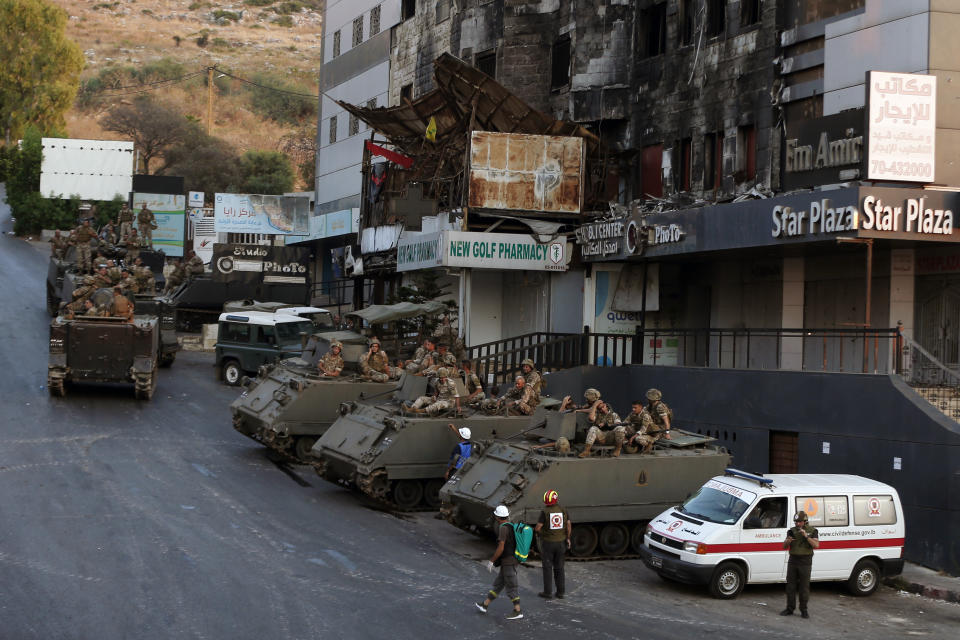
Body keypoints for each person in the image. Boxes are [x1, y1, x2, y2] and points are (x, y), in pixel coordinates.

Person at [475, 505, 523, 620]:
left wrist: (491, 561)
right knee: (499, 584)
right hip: (508, 561)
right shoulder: (510, 526)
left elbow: (501, 548)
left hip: (508, 562)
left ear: (497, 517)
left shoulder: (503, 528)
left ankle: (518, 611)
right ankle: (485, 605)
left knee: (511, 587)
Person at [781, 510, 819, 619]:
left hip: (805, 562)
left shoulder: (813, 531)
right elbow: (784, 546)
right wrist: (788, 541)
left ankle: (804, 610)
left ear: (805, 521)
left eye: (799, 522)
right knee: (790, 586)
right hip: (793, 560)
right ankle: (790, 608)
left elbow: (816, 545)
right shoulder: (791, 531)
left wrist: (806, 536)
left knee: (804, 587)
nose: (797, 524)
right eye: (796, 522)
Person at [534, 490, 571, 600]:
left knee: (547, 567)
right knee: (559, 568)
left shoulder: (545, 512)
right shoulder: (563, 510)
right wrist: (568, 538)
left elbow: (537, 528)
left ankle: (548, 592)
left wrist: (540, 534)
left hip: (548, 544)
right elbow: (568, 525)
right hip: (561, 543)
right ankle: (560, 593)